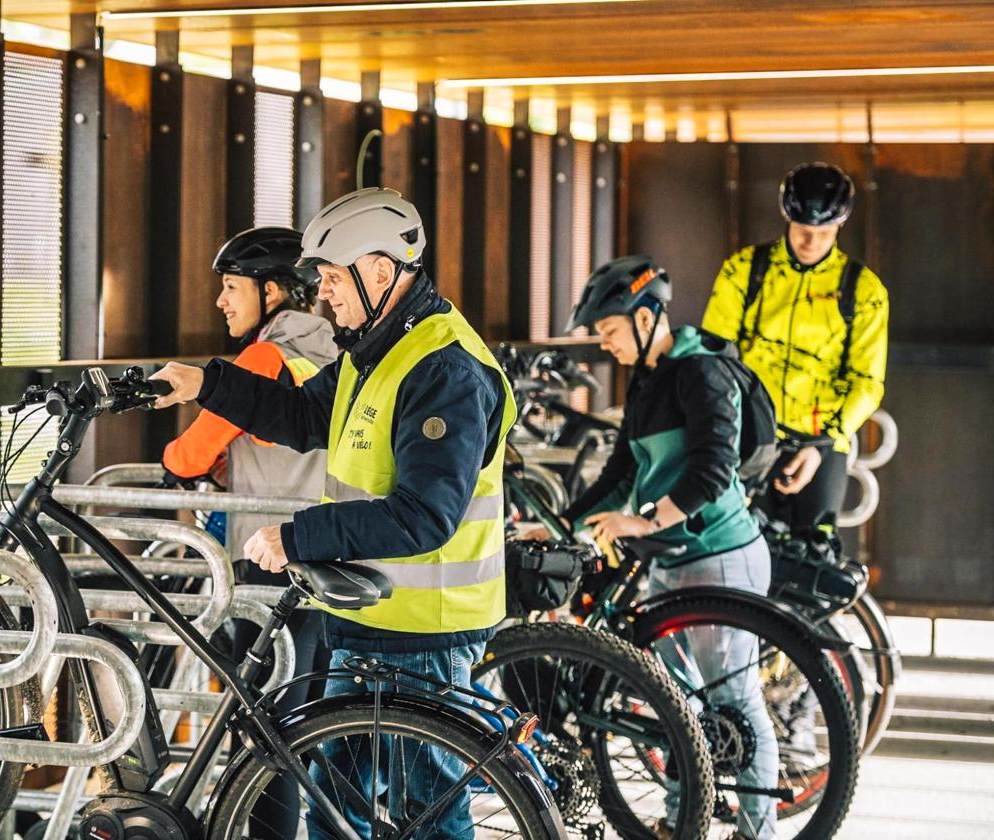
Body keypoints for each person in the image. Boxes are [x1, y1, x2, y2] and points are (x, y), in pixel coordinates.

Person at [151, 187, 517, 839]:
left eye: (330, 278)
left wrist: (299, 537)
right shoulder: (372, 350)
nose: (322, 294)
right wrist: (204, 382)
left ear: (381, 271)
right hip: (369, 616)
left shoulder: (443, 368)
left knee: (426, 811)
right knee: (333, 802)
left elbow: (424, 517)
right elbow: (298, 414)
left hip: (425, 628)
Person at [557, 255, 778, 840]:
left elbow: (711, 471)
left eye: (609, 331)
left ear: (648, 315)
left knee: (733, 699)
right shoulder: (649, 379)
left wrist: (642, 522)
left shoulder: (700, 372)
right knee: (676, 703)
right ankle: (685, 818)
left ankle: (761, 831)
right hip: (672, 561)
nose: (606, 346)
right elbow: (620, 470)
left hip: (721, 554)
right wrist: (560, 525)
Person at [159, 226, 337, 840]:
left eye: (231, 288)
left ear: (273, 292)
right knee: (304, 721)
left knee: (263, 731)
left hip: (264, 559)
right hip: (324, 555)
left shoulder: (264, 358)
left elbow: (190, 453)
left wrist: (178, 460)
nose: (221, 301)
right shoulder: (335, 350)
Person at [702, 161, 890, 531]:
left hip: (820, 440)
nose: (810, 242)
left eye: (824, 232)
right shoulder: (744, 270)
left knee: (812, 559)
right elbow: (713, 356)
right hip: (748, 435)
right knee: (732, 545)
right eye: (803, 230)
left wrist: (823, 444)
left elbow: (867, 382)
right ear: (787, 218)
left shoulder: (864, 290)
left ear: (840, 225)